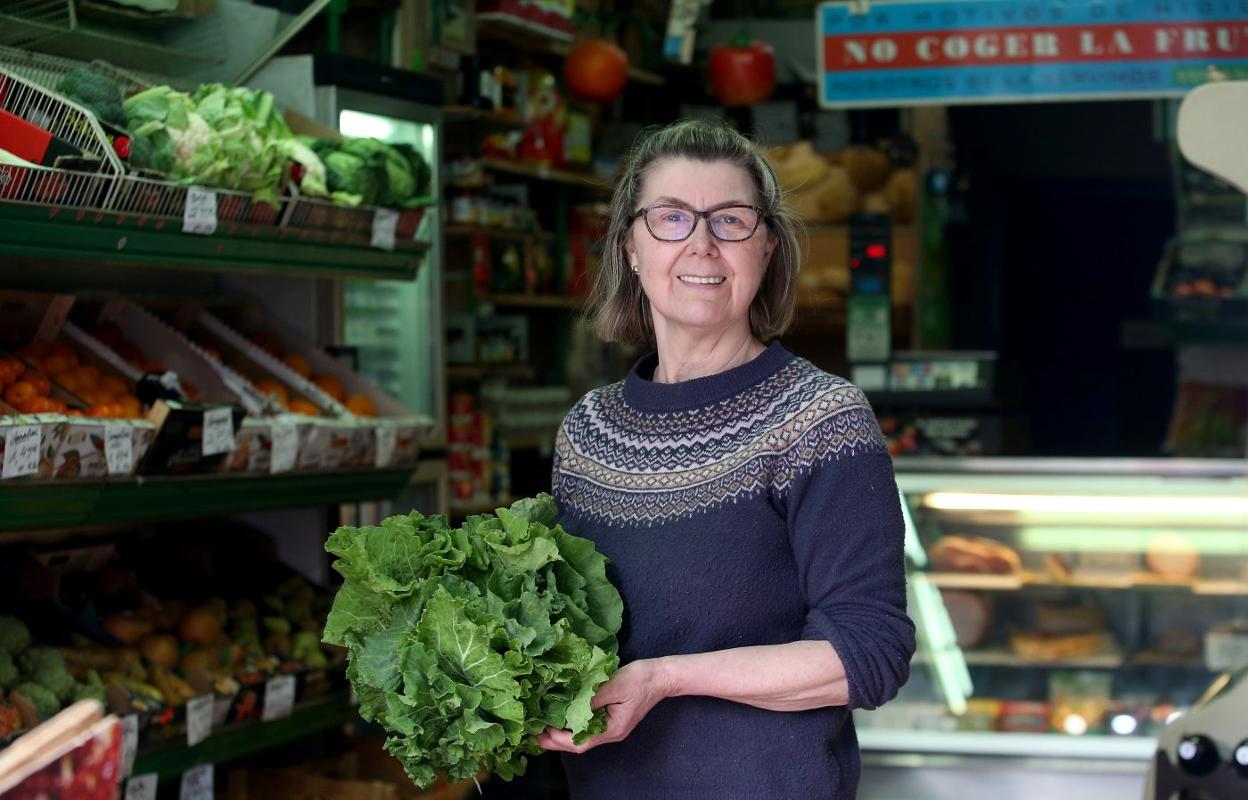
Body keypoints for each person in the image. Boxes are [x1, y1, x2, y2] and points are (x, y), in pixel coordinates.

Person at [540, 118, 916, 799]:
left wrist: (667, 678)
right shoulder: (587, 432)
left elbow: (868, 653)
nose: (703, 245)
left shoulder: (819, 421)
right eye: (672, 219)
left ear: (767, 247)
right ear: (630, 245)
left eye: (732, 220)